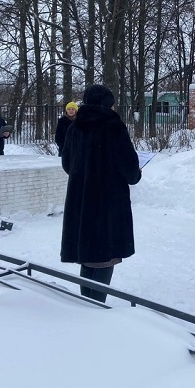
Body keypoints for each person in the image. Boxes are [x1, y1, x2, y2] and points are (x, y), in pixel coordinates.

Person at [60, 84, 141, 303]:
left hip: (82, 201)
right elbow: (131, 170)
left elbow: (67, 164)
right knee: (106, 256)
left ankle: (86, 303)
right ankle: (96, 310)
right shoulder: (113, 126)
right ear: (106, 103)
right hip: (109, 202)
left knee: (87, 256)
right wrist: (134, 173)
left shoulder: (75, 127)